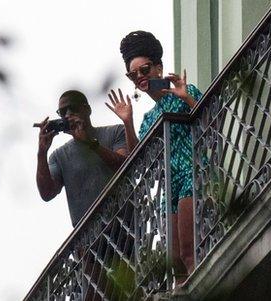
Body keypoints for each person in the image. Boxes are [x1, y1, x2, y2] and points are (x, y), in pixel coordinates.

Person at [105, 30, 203, 283]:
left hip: (189, 173)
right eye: (133, 74)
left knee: (188, 251)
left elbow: (210, 119)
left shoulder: (185, 92)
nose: (139, 77)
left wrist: (187, 97)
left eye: (144, 69)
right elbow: (139, 161)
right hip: (168, 186)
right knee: (175, 264)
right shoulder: (148, 119)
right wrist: (127, 122)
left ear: (158, 68)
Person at [36, 90, 128, 227]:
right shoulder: (58, 156)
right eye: (62, 112)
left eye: (73, 108)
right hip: (87, 238)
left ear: (87, 109)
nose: (68, 114)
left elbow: (124, 167)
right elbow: (47, 193)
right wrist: (42, 153)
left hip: (124, 222)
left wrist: (90, 142)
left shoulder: (116, 132)